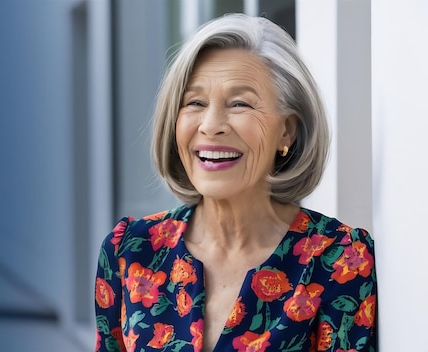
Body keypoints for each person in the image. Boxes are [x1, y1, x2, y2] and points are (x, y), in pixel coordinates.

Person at [94, 13, 377, 352]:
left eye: (240, 103)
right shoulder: (130, 250)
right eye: (195, 102)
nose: (211, 125)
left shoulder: (340, 259)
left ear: (286, 130)